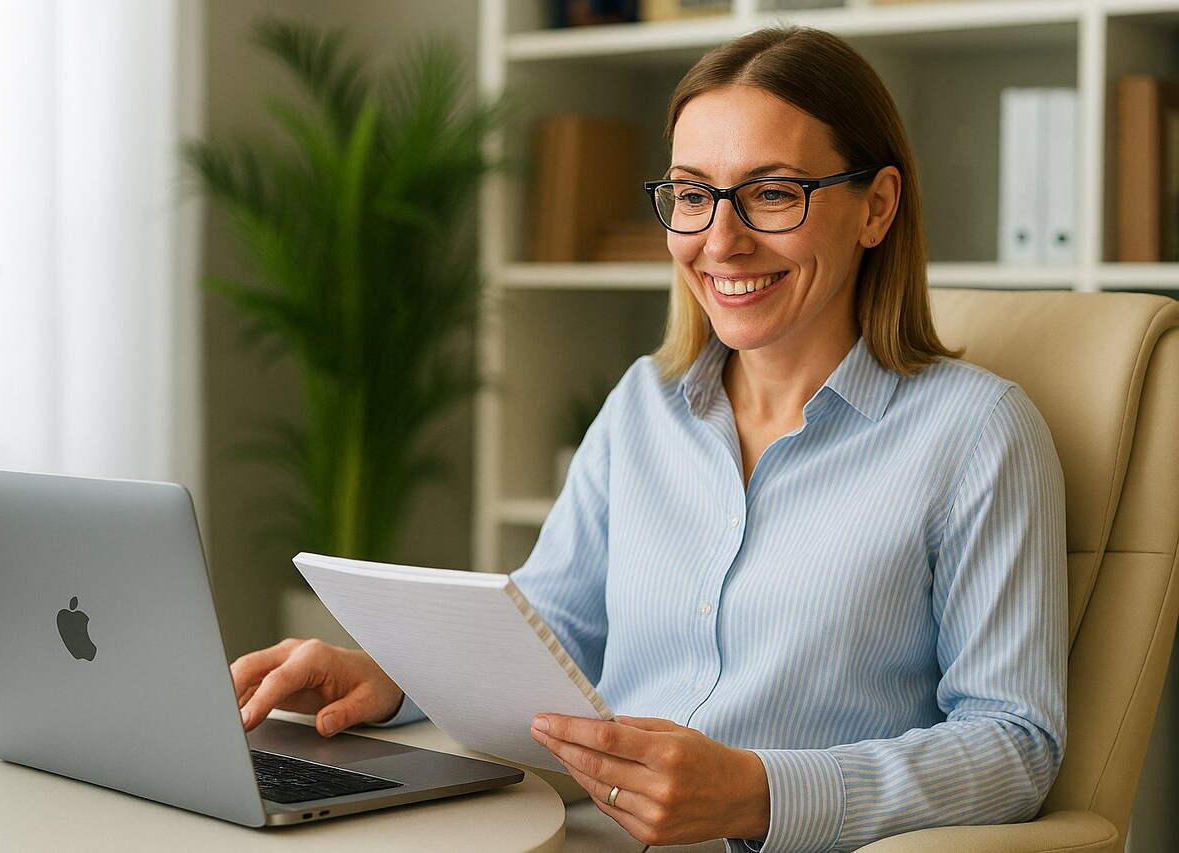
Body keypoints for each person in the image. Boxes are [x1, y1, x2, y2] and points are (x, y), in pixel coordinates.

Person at [230, 26, 1067, 852]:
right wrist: (390, 676)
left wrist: (758, 793)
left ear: (876, 206)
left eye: (773, 193)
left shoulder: (977, 433)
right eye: (693, 194)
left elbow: (1014, 743)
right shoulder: (644, 404)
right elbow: (551, 628)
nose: (720, 240)